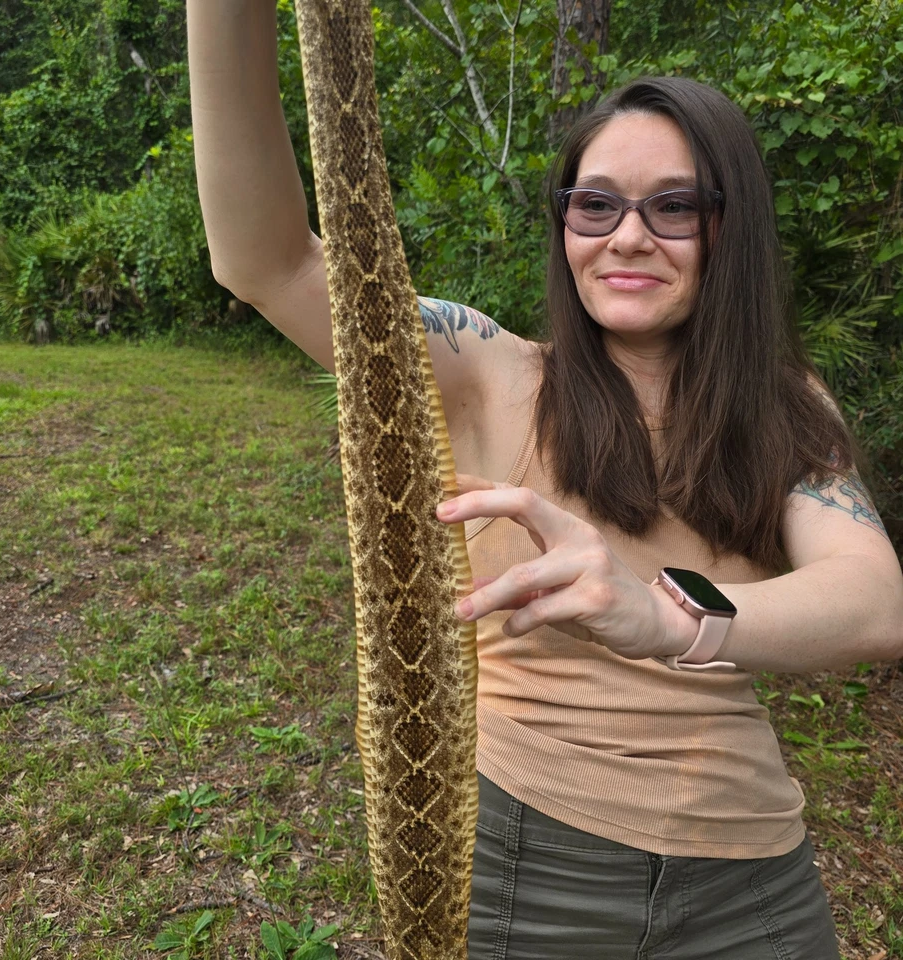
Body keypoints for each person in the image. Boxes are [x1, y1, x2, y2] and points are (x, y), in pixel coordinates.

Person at [186, 4, 903, 958]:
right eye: (595, 204)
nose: (628, 236)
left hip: (756, 877)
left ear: (731, 226)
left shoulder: (784, 404)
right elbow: (266, 261)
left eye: (674, 206)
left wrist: (666, 618)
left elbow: (873, 602)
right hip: (528, 861)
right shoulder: (490, 370)